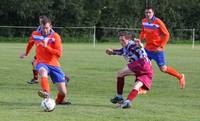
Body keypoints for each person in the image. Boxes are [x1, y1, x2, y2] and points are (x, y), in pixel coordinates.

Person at [20, 16, 71, 105]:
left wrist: (46, 47)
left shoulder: (56, 36)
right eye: (43, 28)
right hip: (41, 62)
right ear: (40, 26)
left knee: (63, 92)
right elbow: (30, 44)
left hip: (54, 64)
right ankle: (46, 92)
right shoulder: (35, 34)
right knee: (43, 71)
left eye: (47, 28)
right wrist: (26, 53)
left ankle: (59, 101)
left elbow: (59, 53)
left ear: (50, 26)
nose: (45, 30)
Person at [139, 6, 185, 91]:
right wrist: (140, 40)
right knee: (143, 66)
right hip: (147, 49)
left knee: (163, 69)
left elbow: (167, 34)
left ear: (153, 13)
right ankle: (143, 88)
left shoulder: (158, 22)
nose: (148, 14)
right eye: (146, 12)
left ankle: (180, 76)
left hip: (157, 50)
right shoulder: (144, 21)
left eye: (149, 12)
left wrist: (161, 46)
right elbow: (143, 32)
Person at [106, 31, 153, 109]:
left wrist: (140, 45)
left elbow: (140, 47)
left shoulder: (133, 45)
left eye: (123, 40)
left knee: (120, 73)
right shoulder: (126, 47)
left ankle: (119, 97)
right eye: (120, 40)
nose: (121, 42)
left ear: (128, 39)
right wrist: (111, 52)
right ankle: (128, 102)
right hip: (148, 69)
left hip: (142, 64)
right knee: (137, 86)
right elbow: (121, 51)